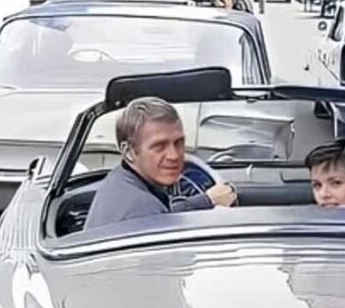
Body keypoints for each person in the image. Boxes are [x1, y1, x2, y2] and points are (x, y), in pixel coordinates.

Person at [84, 97, 237, 231]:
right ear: (128, 151)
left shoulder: (121, 179)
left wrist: (207, 200)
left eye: (178, 143)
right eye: (159, 146)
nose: (174, 155)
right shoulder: (141, 212)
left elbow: (165, 214)